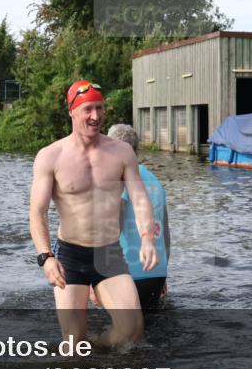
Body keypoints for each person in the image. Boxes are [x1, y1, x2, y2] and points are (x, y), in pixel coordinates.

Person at [29, 80, 157, 347]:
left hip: (109, 253)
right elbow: (37, 213)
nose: (96, 116)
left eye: (99, 108)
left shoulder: (121, 152)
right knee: (74, 342)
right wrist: (45, 258)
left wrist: (147, 237)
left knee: (132, 330)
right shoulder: (50, 156)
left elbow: (140, 198)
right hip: (70, 257)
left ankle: (98, 349)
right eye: (88, 109)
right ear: (72, 111)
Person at [107, 124, 171, 310]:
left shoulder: (119, 180)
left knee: (124, 333)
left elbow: (113, 230)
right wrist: (163, 274)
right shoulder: (155, 181)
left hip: (128, 272)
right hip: (156, 270)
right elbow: (165, 235)